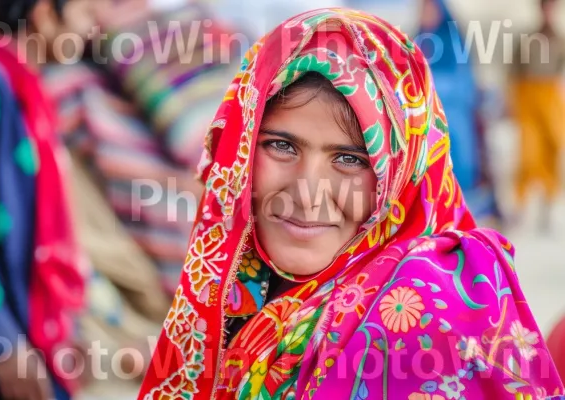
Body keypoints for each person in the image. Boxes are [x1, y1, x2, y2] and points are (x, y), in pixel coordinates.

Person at [138, 8, 565, 400]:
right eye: (281, 146)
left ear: (400, 177)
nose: (307, 191)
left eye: (349, 159)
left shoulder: (426, 314)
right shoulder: (233, 297)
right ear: (241, 148)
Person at [0, 3, 89, 399]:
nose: (96, 25)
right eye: (87, 11)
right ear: (44, 14)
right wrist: (0, 339)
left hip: (25, 330)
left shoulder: (31, 94)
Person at [417, 0, 502, 227]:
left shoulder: (452, 40)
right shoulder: (418, 40)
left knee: (459, 167)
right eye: (422, 8)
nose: (424, 13)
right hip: (427, 120)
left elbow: (464, 81)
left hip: (456, 119)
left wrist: (433, 86)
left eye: (429, 8)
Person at [509, 0, 565, 232]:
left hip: (551, 102)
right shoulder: (527, 40)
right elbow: (513, 74)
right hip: (528, 101)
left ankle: (550, 205)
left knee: (552, 150)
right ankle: (521, 207)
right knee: (529, 152)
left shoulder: (560, 40)